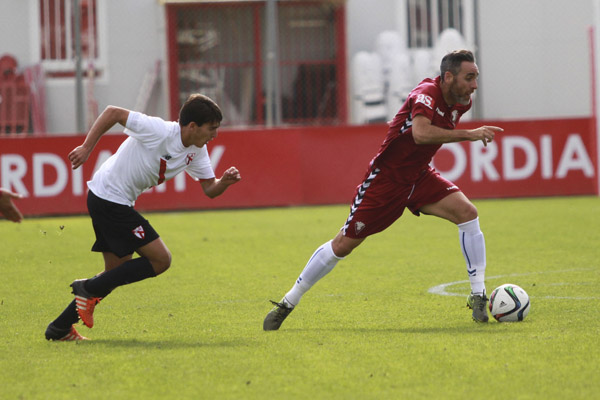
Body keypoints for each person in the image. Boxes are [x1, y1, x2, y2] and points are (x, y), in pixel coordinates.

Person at [263, 50, 503, 330]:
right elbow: (421, 133)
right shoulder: (426, 93)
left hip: (419, 175)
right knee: (343, 245)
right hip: (386, 181)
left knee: (468, 213)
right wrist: (470, 134)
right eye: (469, 77)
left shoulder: (461, 102)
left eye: (475, 77)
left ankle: (478, 295)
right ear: (448, 77)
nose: (474, 85)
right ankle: (288, 302)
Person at [45, 94, 241, 341]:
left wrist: (223, 182)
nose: (214, 135)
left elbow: (210, 189)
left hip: (109, 199)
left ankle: (59, 328)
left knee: (114, 273)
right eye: (212, 129)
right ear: (193, 126)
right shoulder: (160, 130)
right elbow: (113, 112)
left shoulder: (197, 150)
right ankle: (87, 288)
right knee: (161, 260)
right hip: (109, 198)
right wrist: (86, 147)